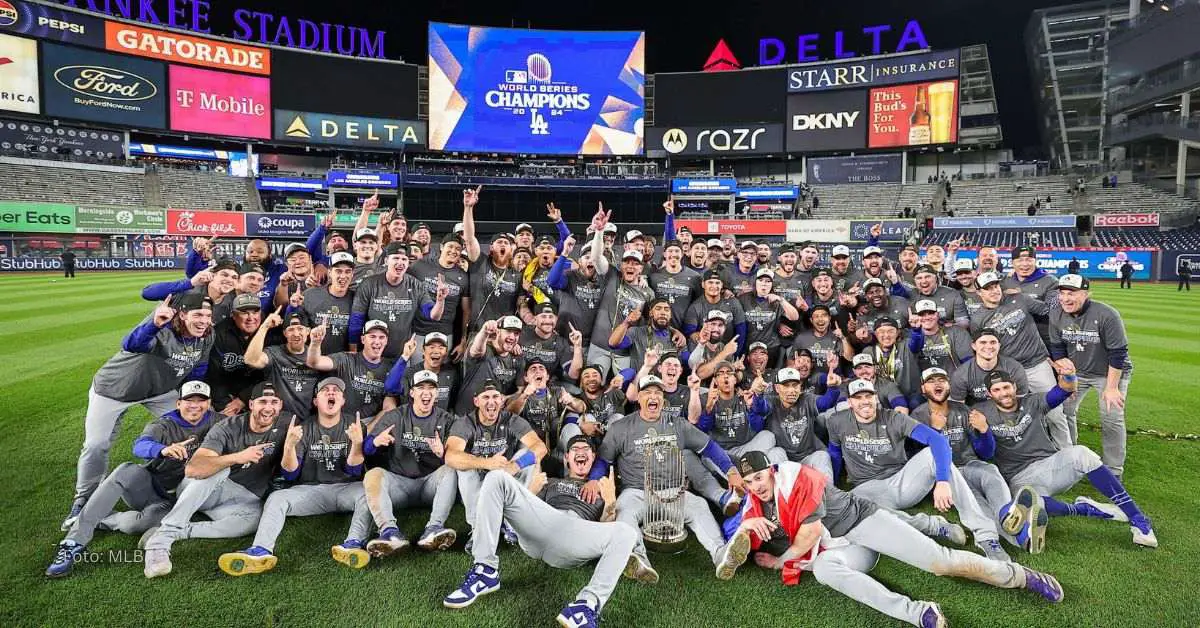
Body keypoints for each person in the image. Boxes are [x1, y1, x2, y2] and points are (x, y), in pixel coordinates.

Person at [718, 452, 1064, 628]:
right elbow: (747, 525)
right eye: (750, 481)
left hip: (862, 522)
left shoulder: (798, 478)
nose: (757, 485)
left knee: (942, 563)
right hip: (841, 547)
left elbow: (807, 532)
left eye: (760, 477)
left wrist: (779, 561)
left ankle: (1021, 576)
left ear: (772, 472)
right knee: (824, 570)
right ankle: (920, 614)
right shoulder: (755, 500)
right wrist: (752, 525)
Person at [442, 435, 658, 626]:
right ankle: (485, 569)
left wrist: (610, 500)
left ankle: (585, 606)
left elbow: (605, 535)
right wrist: (532, 490)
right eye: (576, 450)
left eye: (586, 451)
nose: (581, 454)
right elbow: (522, 515)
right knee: (497, 477)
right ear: (566, 459)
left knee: (626, 533)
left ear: (592, 460)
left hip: (576, 536)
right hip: (542, 525)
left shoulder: (601, 490)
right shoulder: (551, 481)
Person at [64, 292, 216, 530]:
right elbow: (132, 344)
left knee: (200, 420)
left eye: (208, 315)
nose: (204, 320)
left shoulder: (206, 335)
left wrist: (192, 399)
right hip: (115, 390)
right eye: (198, 314)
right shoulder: (163, 328)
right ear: (183, 314)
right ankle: (83, 501)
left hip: (159, 392)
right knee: (96, 444)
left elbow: (199, 368)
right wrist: (153, 323)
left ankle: (186, 480)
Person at [47, 382, 218, 578]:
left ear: (209, 403)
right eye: (189, 400)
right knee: (125, 471)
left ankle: (100, 518)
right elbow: (140, 445)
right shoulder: (163, 424)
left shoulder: (218, 421)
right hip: (150, 489)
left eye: (201, 400)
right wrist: (162, 450)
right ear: (178, 404)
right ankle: (73, 543)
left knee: (136, 526)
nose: (195, 405)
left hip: (173, 504)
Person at [827, 379, 1010, 560]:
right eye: (858, 397)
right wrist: (834, 486)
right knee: (859, 509)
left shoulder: (893, 417)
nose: (865, 401)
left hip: (902, 482)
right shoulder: (837, 421)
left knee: (932, 454)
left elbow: (938, 441)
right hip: (867, 488)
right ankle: (933, 526)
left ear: (876, 398)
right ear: (850, 402)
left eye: (868, 395)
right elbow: (834, 454)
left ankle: (987, 537)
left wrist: (942, 481)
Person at [974, 370, 1158, 551]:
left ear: (1014, 387)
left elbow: (1063, 390)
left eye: (1006, 387)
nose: (1003, 393)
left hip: (1052, 466)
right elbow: (985, 454)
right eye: (996, 390)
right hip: (1018, 478)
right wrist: (983, 431)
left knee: (1082, 454)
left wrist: (1069, 375)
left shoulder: (1033, 401)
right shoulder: (981, 413)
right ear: (990, 394)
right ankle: (1083, 509)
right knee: (1031, 506)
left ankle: (1138, 519)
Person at [587, 375, 746, 575]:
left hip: (674, 492)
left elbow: (709, 447)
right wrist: (594, 480)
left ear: (663, 399)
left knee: (699, 506)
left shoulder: (677, 424)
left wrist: (731, 471)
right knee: (623, 511)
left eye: (658, 393)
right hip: (637, 492)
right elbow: (604, 460)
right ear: (638, 398)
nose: (653, 396)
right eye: (647, 392)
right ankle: (638, 559)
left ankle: (720, 554)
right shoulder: (621, 427)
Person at [217, 377, 366, 575]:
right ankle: (260, 550)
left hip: (346, 489)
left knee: (370, 494)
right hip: (311, 490)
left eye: (336, 391)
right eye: (325, 391)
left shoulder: (354, 426)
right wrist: (289, 446)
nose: (331, 393)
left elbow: (354, 471)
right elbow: (290, 474)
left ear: (343, 400)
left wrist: (357, 443)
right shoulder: (303, 428)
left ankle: (353, 544)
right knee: (277, 497)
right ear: (315, 401)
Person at [142, 382, 291, 578]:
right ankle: (161, 541)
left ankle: (180, 531)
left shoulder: (287, 423)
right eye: (263, 401)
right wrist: (236, 457)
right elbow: (194, 469)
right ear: (252, 404)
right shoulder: (228, 426)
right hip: (208, 489)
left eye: (274, 402)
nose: (268, 408)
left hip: (241, 499)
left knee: (255, 519)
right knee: (217, 469)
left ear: (280, 405)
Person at [335, 370, 460, 565]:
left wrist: (443, 454)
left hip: (430, 485)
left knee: (451, 469)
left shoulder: (447, 420)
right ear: (412, 392)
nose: (426, 393)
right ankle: (389, 533)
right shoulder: (395, 416)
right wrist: (376, 442)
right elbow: (366, 449)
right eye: (421, 388)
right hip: (400, 485)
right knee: (373, 474)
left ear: (437, 394)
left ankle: (434, 528)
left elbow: (460, 457)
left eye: (431, 388)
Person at [444, 381, 549, 547]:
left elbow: (540, 448)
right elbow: (450, 456)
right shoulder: (465, 423)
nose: (491, 402)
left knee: (527, 456)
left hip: (505, 473)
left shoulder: (511, 420)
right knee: (463, 466)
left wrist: (515, 466)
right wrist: (487, 463)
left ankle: (512, 524)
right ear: (476, 401)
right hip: (478, 478)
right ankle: (477, 527)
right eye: (485, 397)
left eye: (495, 397)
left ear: (501, 400)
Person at [1049, 275, 1133, 476]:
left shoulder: (1106, 314)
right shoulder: (1056, 313)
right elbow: (1058, 349)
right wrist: (1066, 379)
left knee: (1111, 417)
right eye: (1062, 293)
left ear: (1086, 294)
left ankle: (1113, 470)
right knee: (1063, 411)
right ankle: (1070, 458)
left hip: (1109, 373)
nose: (1066, 298)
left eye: (1072, 293)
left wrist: (1111, 388)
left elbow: (1118, 352)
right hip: (1078, 373)